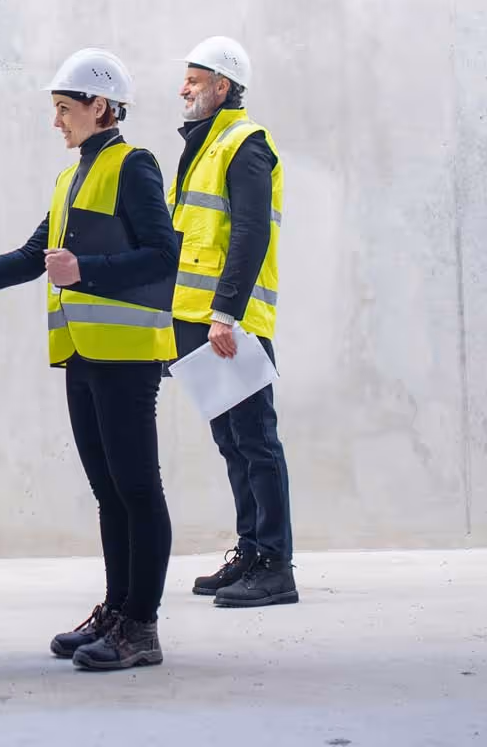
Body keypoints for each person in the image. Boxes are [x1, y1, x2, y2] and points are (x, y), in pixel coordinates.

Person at [0, 49, 178, 671]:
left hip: (125, 357)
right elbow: (30, 256)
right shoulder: (72, 178)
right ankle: (117, 609)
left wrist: (87, 271)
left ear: (100, 106)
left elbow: (162, 254)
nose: (57, 122)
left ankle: (142, 628)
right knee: (108, 491)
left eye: (64, 109)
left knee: (136, 488)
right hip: (82, 353)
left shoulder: (134, 165)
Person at [173, 37, 299, 608]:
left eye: (194, 80)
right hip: (200, 320)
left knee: (256, 440)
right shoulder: (204, 145)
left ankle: (276, 566)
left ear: (223, 86)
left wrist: (225, 313)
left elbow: (250, 234)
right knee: (231, 441)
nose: (184, 89)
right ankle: (250, 552)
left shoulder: (244, 143)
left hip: (232, 323)